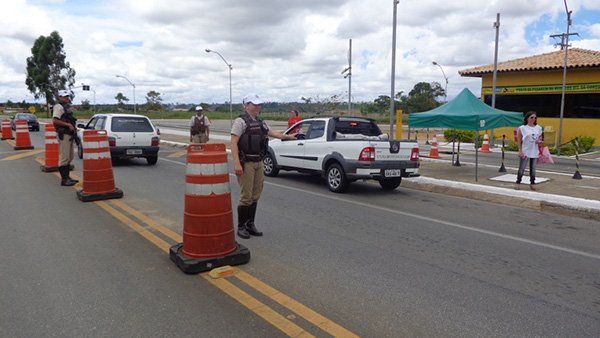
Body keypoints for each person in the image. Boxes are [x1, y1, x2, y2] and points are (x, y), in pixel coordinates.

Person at [231, 93, 296, 239]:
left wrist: (288, 137)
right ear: (246, 105)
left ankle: (250, 224)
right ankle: (241, 226)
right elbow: (234, 142)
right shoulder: (240, 122)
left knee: (256, 194)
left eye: (259, 104)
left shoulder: (261, 122)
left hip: (258, 161)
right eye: (254, 104)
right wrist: (236, 163)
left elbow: (272, 133)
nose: (257, 107)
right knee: (246, 195)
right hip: (246, 162)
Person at [52, 90, 78, 186]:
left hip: (69, 134)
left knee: (69, 156)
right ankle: (64, 180)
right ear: (59, 97)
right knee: (64, 157)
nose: (66, 98)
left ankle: (67, 177)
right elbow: (55, 120)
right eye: (64, 96)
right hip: (64, 134)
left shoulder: (65, 107)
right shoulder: (58, 107)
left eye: (67, 96)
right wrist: (67, 124)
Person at [516, 111, 543, 190]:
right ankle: (518, 181)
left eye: (535, 118)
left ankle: (532, 183)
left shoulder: (538, 128)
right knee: (522, 168)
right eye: (531, 117)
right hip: (525, 150)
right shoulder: (522, 128)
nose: (533, 119)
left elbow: (540, 138)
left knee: (533, 169)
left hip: (534, 150)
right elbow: (519, 140)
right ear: (527, 118)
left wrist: (540, 142)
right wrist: (520, 150)